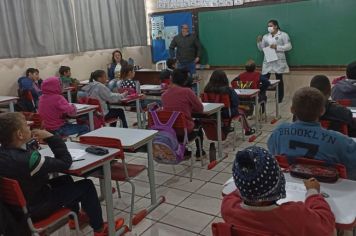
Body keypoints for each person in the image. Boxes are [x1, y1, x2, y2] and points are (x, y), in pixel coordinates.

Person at [0, 112, 124, 236]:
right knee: (87, 185)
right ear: (20, 134)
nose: (29, 127)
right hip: (37, 208)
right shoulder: (30, 160)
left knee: (65, 180)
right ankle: (100, 229)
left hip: (19, 209)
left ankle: (74, 217)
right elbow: (65, 162)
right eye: (25, 126)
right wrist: (51, 137)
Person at [221, 146, 335, 236]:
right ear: (278, 180)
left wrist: (248, 179)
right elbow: (326, 224)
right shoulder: (295, 216)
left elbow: (236, 193)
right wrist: (312, 192)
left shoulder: (228, 207)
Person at [267, 87, 356, 180]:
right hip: (329, 187)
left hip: (291, 182)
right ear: (322, 111)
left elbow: (273, 151)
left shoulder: (280, 132)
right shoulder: (340, 140)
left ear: (292, 110)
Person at [161, 69, 206, 160]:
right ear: (185, 80)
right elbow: (200, 109)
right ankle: (199, 153)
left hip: (170, 131)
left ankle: (184, 151)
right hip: (185, 132)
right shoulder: (187, 92)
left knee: (181, 123)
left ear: (171, 78)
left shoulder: (164, 95)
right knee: (199, 124)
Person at [204, 70, 254, 135]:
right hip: (226, 113)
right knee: (241, 112)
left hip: (211, 113)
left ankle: (227, 126)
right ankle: (248, 130)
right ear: (225, 79)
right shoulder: (228, 90)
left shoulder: (206, 89)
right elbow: (236, 102)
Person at [257, 19, 292, 103]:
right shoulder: (266, 36)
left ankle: (279, 99)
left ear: (276, 26)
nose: (269, 27)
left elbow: (289, 46)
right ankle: (262, 97)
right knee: (264, 80)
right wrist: (259, 42)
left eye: (271, 26)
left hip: (278, 61)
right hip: (268, 60)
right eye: (268, 26)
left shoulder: (283, 35)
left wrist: (277, 47)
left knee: (279, 79)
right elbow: (261, 49)